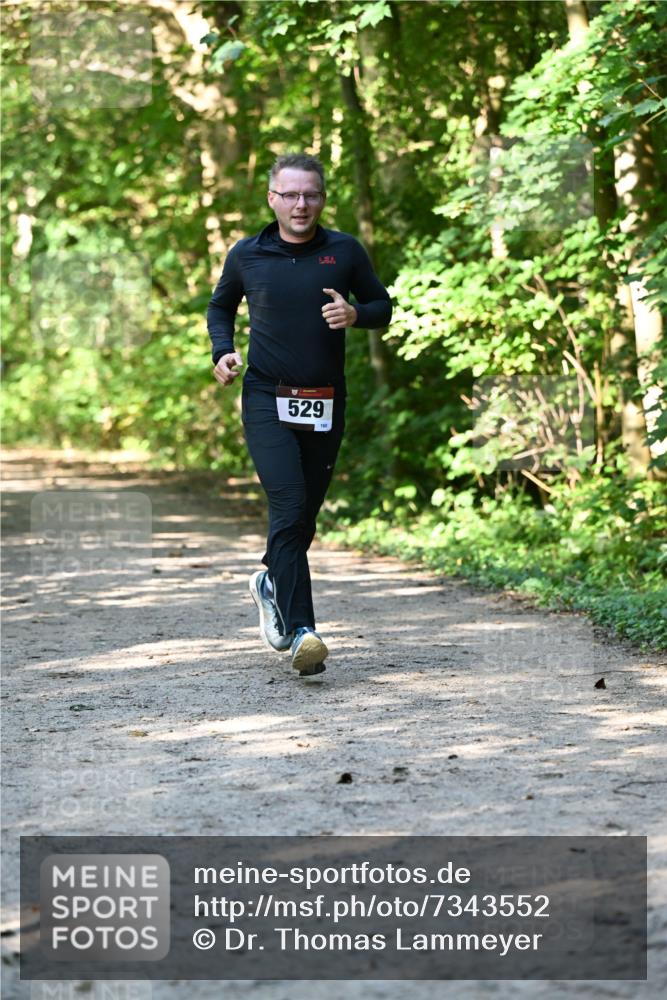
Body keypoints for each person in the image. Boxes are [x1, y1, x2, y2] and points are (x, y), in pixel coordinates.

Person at [207, 152, 392, 676]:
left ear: (322, 199)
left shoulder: (344, 251)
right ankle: (302, 632)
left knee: (303, 513)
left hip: (325, 400)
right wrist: (221, 350)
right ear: (272, 199)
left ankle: (270, 581)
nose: (301, 204)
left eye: (310, 194)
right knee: (287, 500)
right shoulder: (248, 255)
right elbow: (220, 307)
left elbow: (383, 307)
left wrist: (356, 314)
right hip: (266, 394)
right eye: (290, 194)